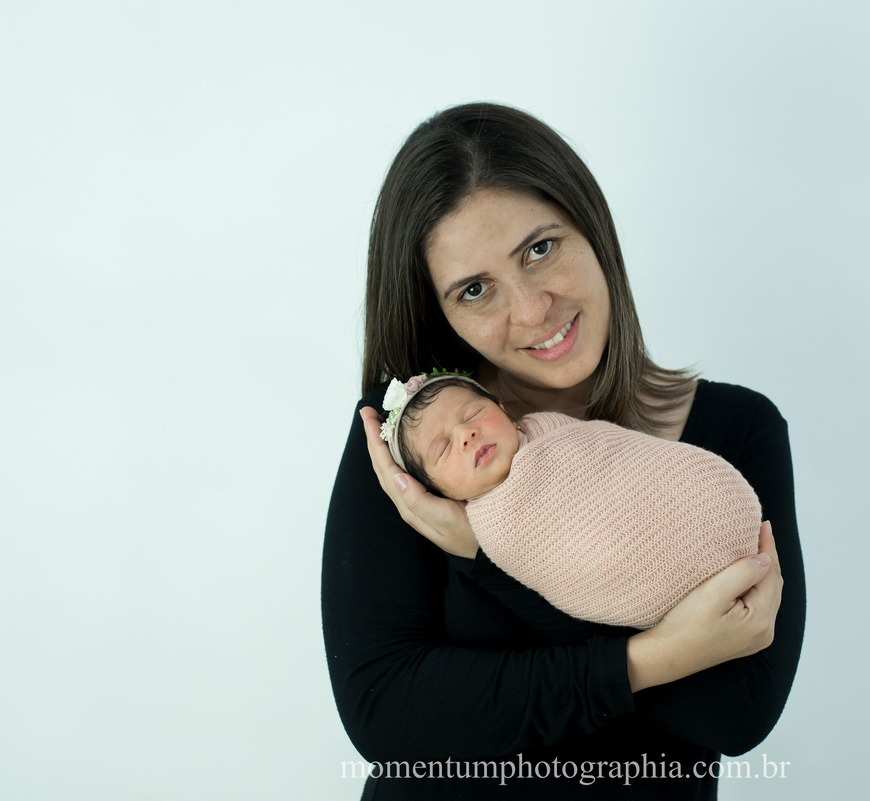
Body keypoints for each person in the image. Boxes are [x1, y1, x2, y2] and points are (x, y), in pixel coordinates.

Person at [322, 102, 805, 800]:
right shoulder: (422, 440)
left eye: (540, 248)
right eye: (476, 289)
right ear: (441, 312)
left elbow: (738, 712)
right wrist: (658, 655)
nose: (532, 309)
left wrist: (483, 555)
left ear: (591, 226)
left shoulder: (737, 431)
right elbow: (386, 712)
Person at [374, 371, 761, 630]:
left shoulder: (551, 427)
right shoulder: (493, 525)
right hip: (626, 565)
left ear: (505, 410)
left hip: (705, 501)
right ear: (437, 489)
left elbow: (620, 455)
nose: (466, 434)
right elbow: (570, 563)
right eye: (443, 448)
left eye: (474, 413)